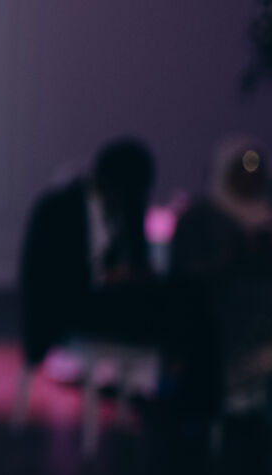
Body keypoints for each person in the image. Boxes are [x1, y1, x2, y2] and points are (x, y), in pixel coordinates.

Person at [19, 138, 216, 418]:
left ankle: (180, 393)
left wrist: (132, 275)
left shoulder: (128, 207)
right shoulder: (60, 208)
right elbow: (50, 278)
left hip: (115, 299)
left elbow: (138, 263)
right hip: (69, 304)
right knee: (183, 309)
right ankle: (178, 397)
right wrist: (112, 276)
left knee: (188, 301)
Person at [170, 138, 272, 397]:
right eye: (242, 169)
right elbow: (186, 271)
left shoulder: (266, 213)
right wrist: (235, 251)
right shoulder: (200, 216)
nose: (250, 177)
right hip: (218, 312)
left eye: (255, 168)